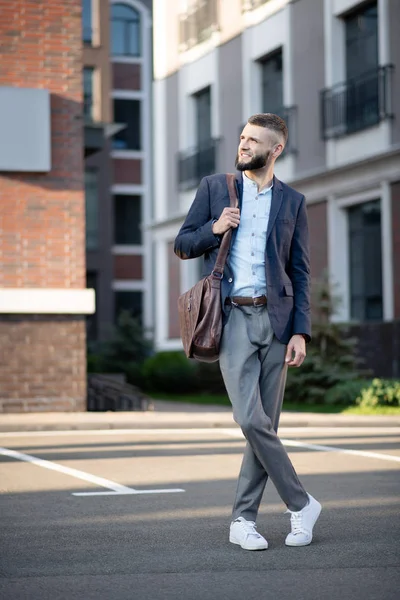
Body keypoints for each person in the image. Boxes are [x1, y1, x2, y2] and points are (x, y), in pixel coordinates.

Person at [174, 113, 321, 551]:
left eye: (253, 140)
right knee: (250, 419)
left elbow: (301, 271)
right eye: (242, 137)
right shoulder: (215, 188)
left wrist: (301, 333)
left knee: (266, 425)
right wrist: (214, 228)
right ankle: (301, 502)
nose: (243, 145)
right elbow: (183, 244)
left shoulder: (293, 201)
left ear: (274, 150)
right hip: (233, 318)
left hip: (277, 322)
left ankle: (243, 520)